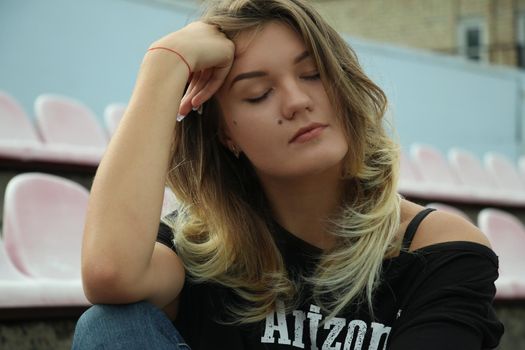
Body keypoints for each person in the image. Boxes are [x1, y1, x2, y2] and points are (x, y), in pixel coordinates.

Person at [72, 0, 504, 349]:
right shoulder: (202, 249)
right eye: (258, 94)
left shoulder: (438, 250)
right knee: (109, 324)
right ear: (226, 135)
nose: (296, 101)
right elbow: (111, 274)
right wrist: (164, 64)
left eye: (313, 74)